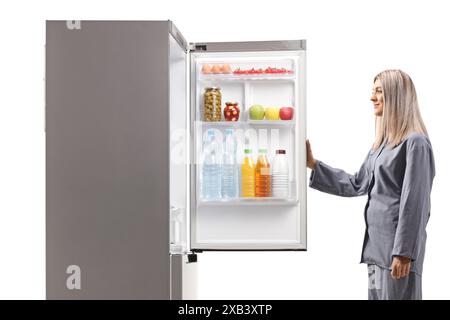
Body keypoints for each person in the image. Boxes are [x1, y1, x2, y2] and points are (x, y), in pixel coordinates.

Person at [307, 69, 435, 300]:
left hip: (397, 253)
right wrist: (314, 165)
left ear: (395, 95)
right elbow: (357, 184)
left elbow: (415, 201)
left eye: (378, 91)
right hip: (375, 250)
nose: (372, 97)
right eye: (372, 91)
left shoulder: (415, 142)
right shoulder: (382, 145)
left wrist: (404, 252)